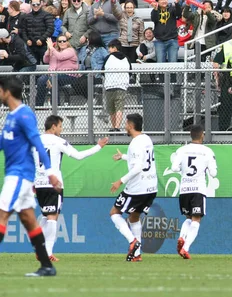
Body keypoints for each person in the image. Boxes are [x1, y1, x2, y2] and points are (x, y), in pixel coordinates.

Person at [0, 76, 61, 277]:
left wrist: (51, 172)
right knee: (29, 220)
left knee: (2, 215)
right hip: (16, 174)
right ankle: (46, 266)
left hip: (19, 174)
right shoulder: (11, 116)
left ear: (7, 92)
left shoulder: (24, 114)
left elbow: (36, 141)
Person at [33, 115, 109, 261]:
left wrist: (32, 182)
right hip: (54, 184)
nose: (61, 130)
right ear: (53, 126)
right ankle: (46, 252)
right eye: (60, 126)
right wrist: (98, 146)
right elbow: (78, 156)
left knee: (45, 215)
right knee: (52, 217)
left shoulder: (36, 140)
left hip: (39, 183)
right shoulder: (58, 141)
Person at [109, 113, 157, 262]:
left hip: (138, 188)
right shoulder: (146, 139)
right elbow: (142, 160)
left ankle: (133, 241)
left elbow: (137, 168)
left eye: (126, 124)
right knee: (134, 216)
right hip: (151, 187)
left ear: (130, 125)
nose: (125, 127)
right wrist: (123, 156)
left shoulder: (135, 143)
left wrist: (120, 181)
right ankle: (137, 255)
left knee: (114, 213)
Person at [170, 124, 217, 259]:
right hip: (198, 189)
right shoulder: (207, 151)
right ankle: (185, 248)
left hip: (184, 189)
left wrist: (183, 170)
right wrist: (207, 168)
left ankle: (181, 237)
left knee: (188, 218)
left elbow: (174, 168)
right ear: (202, 134)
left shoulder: (182, 150)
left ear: (191, 135)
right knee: (196, 220)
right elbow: (213, 173)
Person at [35, 34, 79, 107]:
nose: (62, 43)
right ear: (57, 43)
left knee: (53, 79)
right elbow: (45, 60)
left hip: (68, 75)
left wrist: (51, 48)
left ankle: (55, 107)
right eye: (59, 41)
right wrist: (48, 49)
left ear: (67, 42)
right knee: (41, 80)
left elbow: (60, 57)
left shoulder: (70, 50)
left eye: (64, 41)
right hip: (53, 75)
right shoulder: (54, 50)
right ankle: (39, 106)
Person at [212, 27, 232, 131]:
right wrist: (217, 79)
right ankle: (223, 130)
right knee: (225, 108)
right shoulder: (227, 46)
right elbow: (216, 63)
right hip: (227, 79)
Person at [103, 39, 131, 131]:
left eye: (110, 48)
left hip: (110, 85)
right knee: (119, 107)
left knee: (111, 108)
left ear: (114, 48)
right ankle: (117, 126)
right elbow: (130, 72)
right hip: (122, 86)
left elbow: (103, 70)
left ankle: (113, 126)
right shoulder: (127, 58)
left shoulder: (108, 58)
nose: (109, 50)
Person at [23, 0, 54, 64]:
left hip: (44, 45)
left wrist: (41, 39)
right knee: (33, 66)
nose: (36, 6)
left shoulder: (47, 15)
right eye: (34, 4)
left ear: (41, 4)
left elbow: (50, 29)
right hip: (31, 46)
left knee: (46, 66)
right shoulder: (26, 16)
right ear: (30, 4)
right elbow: (23, 30)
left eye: (37, 4)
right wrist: (27, 40)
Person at [118, 0, 144, 64]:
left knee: (133, 63)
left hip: (134, 45)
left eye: (131, 7)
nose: (129, 9)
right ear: (125, 8)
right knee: (124, 63)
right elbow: (115, 11)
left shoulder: (139, 19)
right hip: (123, 44)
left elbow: (141, 34)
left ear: (134, 8)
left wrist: (140, 46)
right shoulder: (121, 17)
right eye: (127, 7)